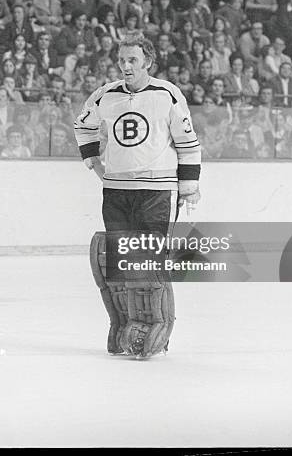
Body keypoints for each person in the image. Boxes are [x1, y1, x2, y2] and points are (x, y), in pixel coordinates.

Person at [74, 32, 201, 358]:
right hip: (117, 191)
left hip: (156, 192)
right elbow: (83, 126)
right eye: (121, 60)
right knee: (118, 264)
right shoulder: (106, 95)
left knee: (147, 261)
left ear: (148, 62)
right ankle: (127, 326)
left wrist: (188, 187)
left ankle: (157, 327)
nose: (125, 66)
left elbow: (187, 143)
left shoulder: (167, 94)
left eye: (132, 60)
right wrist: (94, 162)